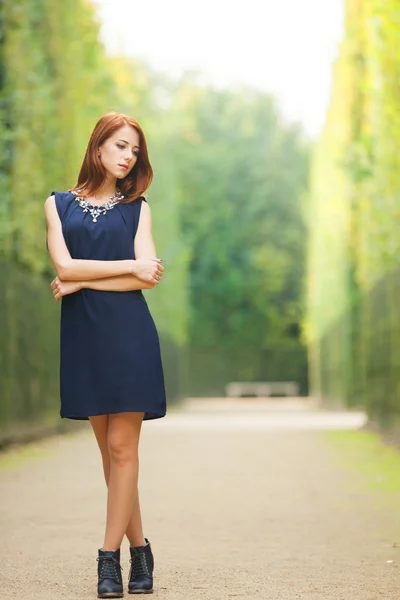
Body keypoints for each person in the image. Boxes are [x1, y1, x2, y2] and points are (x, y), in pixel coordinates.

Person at [44, 111, 167, 598]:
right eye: (120, 146)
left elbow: (146, 277)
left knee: (123, 450)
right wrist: (112, 269)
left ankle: (108, 560)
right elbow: (62, 264)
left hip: (130, 333)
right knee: (109, 454)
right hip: (85, 338)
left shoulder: (139, 208)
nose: (128, 156)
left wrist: (82, 279)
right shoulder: (57, 206)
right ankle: (142, 550)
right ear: (98, 148)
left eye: (134, 150)